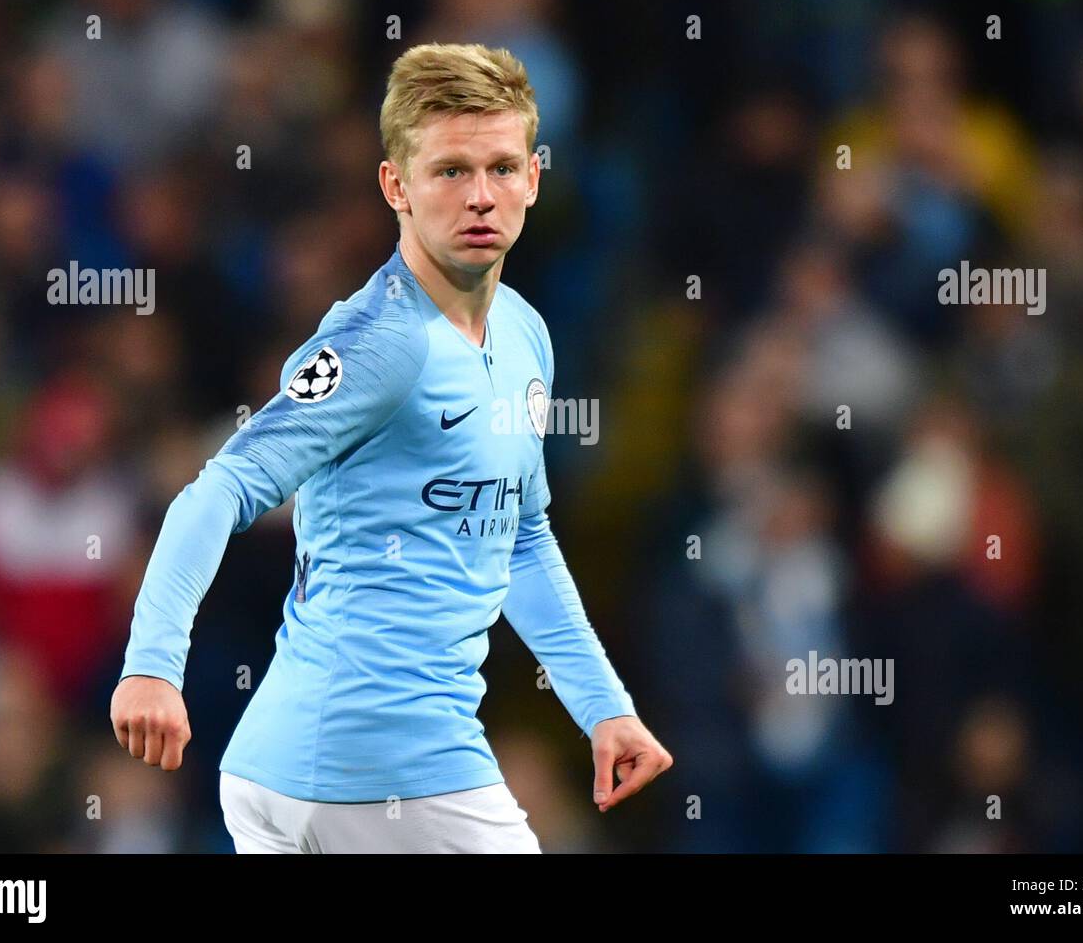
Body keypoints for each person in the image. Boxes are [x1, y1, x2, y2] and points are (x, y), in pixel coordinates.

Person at [110, 42, 672, 853]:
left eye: (503, 168)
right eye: (449, 171)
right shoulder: (379, 345)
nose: (481, 196)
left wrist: (604, 706)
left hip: (300, 769)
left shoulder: (526, 336)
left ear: (534, 179)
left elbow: (520, 537)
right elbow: (218, 489)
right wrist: (153, 664)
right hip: (378, 760)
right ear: (395, 186)